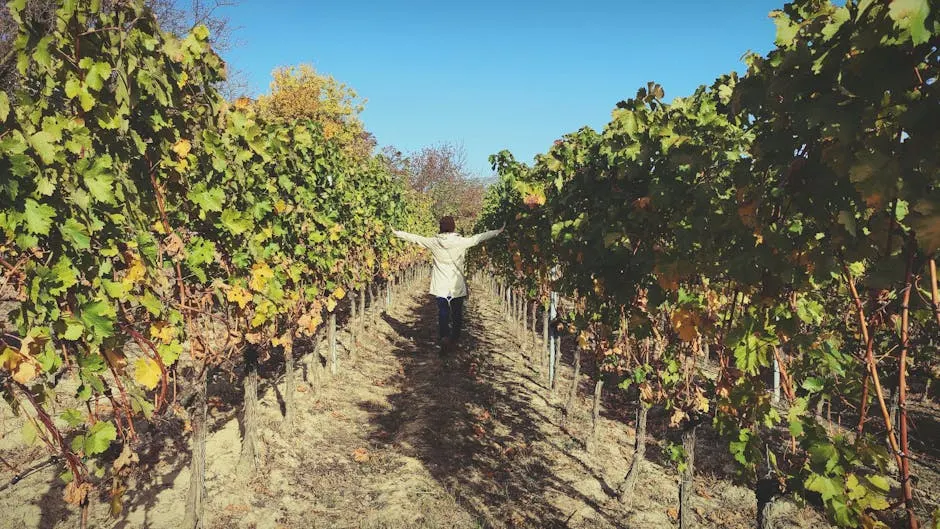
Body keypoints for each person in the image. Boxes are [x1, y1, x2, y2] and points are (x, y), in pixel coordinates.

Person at [392, 216, 504, 355]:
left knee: (443, 312)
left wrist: (398, 233)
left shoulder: (434, 242)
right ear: (453, 227)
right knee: (457, 314)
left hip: (441, 285)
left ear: (440, 227)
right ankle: (454, 339)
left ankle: (444, 337)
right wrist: (497, 231)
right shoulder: (461, 242)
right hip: (456, 284)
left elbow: (416, 238)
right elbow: (478, 238)